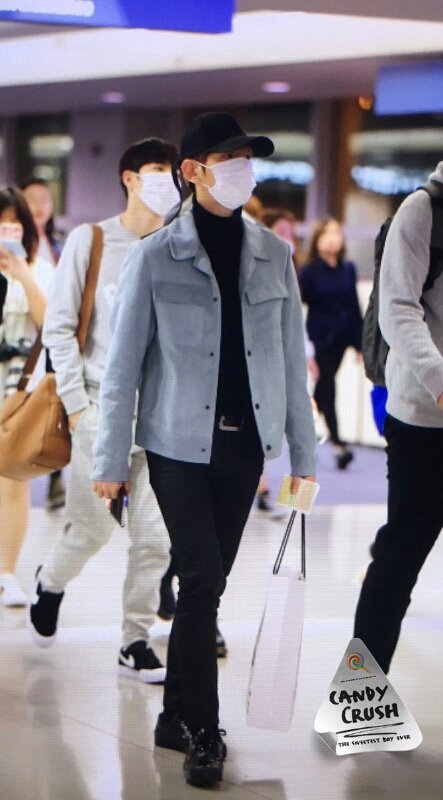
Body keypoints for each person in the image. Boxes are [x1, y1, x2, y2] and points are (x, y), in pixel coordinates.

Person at [92, 111, 316, 788]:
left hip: (246, 447)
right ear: (193, 171)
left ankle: (172, 717)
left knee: (208, 582)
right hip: (175, 445)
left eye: (249, 159)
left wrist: (303, 458)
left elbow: (289, 360)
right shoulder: (155, 255)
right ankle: (205, 732)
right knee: (200, 578)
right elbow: (122, 370)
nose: (243, 170)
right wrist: (109, 464)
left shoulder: (273, 254)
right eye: (229, 159)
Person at [28, 138, 178, 684]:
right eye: (157, 170)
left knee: (155, 538)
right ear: (129, 178)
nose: (167, 180)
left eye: (171, 171)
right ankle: (51, 581)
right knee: (90, 530)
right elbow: (59, 328)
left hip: (162, 416)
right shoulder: (91, 241)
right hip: (98, 408)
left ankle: (134, 640)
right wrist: (77, 407)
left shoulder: (179, 244)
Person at [354, 162, 443, 674]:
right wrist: (440, 380)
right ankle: (361, 699)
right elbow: (398, 309)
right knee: (399, 559)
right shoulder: (422, 210)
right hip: (424, 422)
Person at [0, 186, 54, 607]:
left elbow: (51, 324)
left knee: (11, 479)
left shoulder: (40, 267)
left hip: (17, 387)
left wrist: (22, 275)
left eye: (14, 224)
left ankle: (6, 573)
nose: (7, 231)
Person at [299, 217, 363, 469]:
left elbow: (354, 306)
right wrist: (303, 347)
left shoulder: (348, 269)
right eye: (327, 233)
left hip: (342, 338)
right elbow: (297, 306)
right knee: (328, 386)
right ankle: (338, 444)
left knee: (322, 391)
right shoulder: (309, 271)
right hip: (319, 337)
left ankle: (302, 432)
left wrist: (360, 344)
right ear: (317, 239)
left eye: (337, 233)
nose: (333, 238)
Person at [21, 177, 66, 511]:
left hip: (57, 337)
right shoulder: (13, 245)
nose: (39, 206)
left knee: (56, 405)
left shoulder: (60, 244)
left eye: (45, 199)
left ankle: (55, 478)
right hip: (24, 334)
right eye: (31, 199)